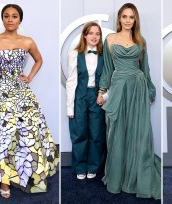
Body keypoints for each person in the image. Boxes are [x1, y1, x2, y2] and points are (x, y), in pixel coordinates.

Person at [0, 4, 59, 199]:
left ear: (20, 19)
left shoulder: (28, 41)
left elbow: (39, 60)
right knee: (0, 134)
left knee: (26, 132)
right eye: (6, 16)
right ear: (2, 19)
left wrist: (29, 76)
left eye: (14, 16)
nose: (10, 19)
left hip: (20, 91)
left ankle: (24, 173)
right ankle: (4, 179)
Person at [96, 3, 161, 200]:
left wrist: (150, 90)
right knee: (116, 133)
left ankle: (137, 177)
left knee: (139, 133)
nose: (127, 20)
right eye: (124, 16)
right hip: (118, 88)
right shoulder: (109, 39)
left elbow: (146, 69)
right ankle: (118, 178)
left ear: (135, 20)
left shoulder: (140, 41)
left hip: (138, 88)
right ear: (119, 19)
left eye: (131, 17)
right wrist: (102, 91)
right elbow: (107, 69)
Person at [66, 22, 106, 180]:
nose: (94, 37)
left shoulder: (105, 55)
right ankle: (80, 166)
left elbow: (109, 78)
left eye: (97, 34)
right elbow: (71, 81)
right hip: (80, 97)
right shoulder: (75, 54)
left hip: (98, 97)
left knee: (97, 134)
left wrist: (105, 96)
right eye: (91, 33)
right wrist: (69, 108)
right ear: (84, 35)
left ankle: (94, 166)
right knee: (79, 133)